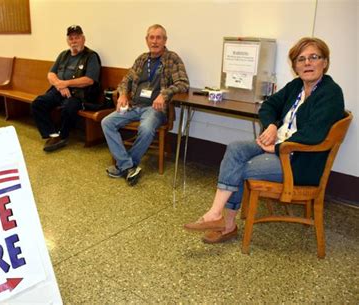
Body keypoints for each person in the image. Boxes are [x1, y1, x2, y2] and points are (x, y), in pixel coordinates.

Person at [184, 37, 344, 244]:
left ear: (325, 62)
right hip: (280, 146)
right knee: (235, 149)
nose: (307, 63)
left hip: (299, 161)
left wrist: (277, 147)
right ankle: (217, 215)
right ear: (295, 66)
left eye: (314, 57)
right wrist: (271, 125)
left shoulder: (331, 93)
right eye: (301, 59)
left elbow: (314, 134)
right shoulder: (296, 86)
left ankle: (226, 224)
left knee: (240, 168)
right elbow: (269, 106)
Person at [101, 24, 189, 186]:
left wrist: (164, 94)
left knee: (146, 128)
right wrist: (122, 94)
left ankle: (126, 165)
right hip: (134, 106)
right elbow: (126, 80)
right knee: (107, 122)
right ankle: (128, 166)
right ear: (146, 40)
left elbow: (183, 84)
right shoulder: (142, 59)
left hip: (155, 109)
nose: (155, 41)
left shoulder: (172, 59)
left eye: (159, 37)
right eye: (151, 37)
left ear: (165, 40)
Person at [32, 25, 101, 152]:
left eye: (77, 37)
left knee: (68, 107)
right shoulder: (63, 55)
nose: (74, 41)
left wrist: (66, 83)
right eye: (71, 38)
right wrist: (59, 85)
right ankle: (52, 134)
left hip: (79, 95)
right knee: (38, 103)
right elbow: (51, 74)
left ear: (83, 39)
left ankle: (63, 135)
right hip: (59, 90)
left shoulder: (91, 56)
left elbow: (89, 80)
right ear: (67, 41)